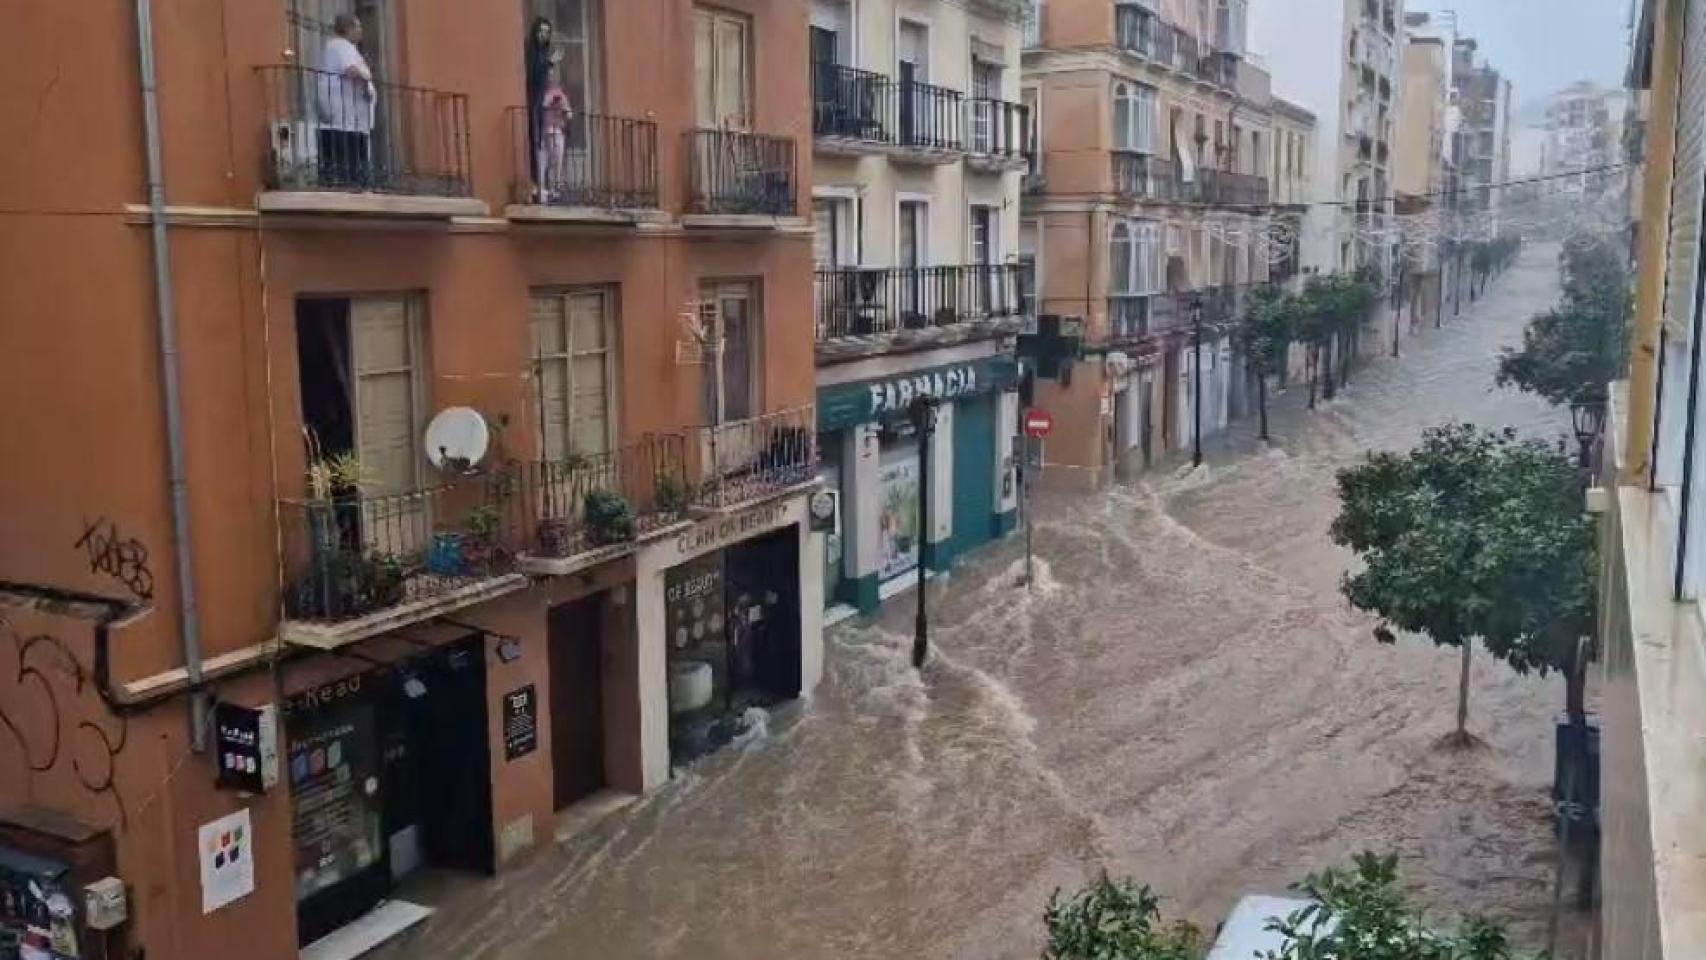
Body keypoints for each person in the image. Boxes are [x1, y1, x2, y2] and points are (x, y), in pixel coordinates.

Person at [315, 13, 375, 188]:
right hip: (345, 119)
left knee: (348, 164)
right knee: (348, 167)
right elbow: (351, 70)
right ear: (348, 29)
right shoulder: (341, 46)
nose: (361, 31)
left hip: (350, 119)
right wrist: (367, 79)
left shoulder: (341, 47)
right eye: (358, 27)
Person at [524, 17, 556, 198]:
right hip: (533, 102)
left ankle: (544, 183)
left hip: (541, 103)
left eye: (547, 32)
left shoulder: (543, 53)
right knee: (535, 142)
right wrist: (549, 63)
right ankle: (536, 184)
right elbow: (534, 73)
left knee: (542, 144)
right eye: (541, 31)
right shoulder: (533, 53)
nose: (544, 35)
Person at [538, 51, 575, 200]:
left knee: (557, 159)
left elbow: (569, 113)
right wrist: (550, 102)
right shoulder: (541, 92)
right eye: (549, 74)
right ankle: (543, 188)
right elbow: (541, 106)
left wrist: (564, 109)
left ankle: (555, 188)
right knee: (544, 160)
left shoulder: (559, 93)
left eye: (553, 74)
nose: (551, 77)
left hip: (557, 129)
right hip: (544, 131)